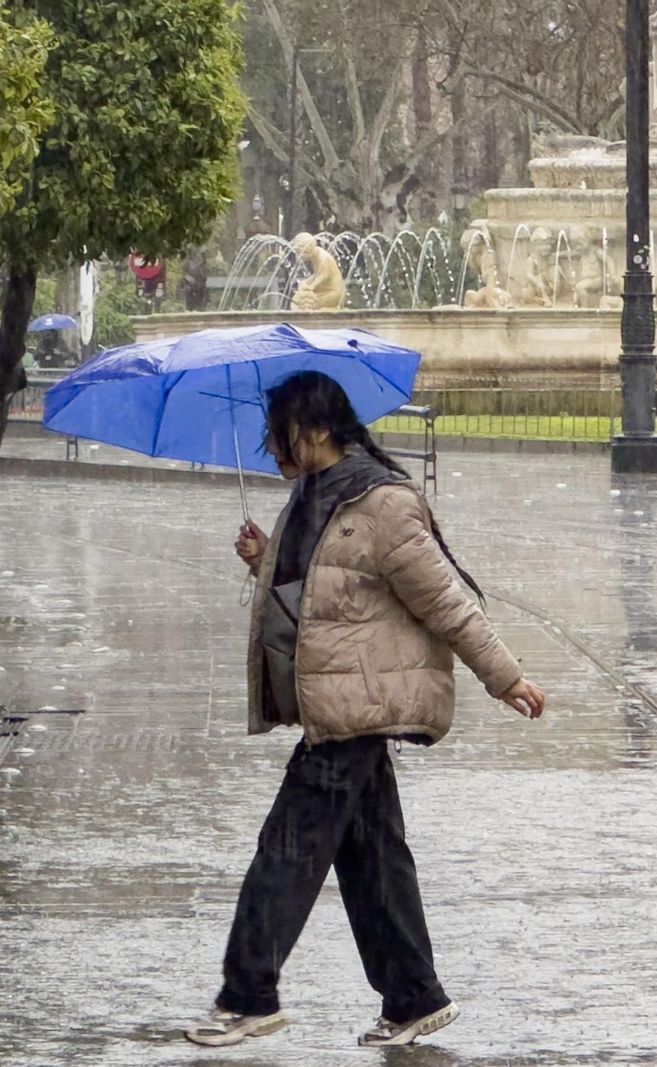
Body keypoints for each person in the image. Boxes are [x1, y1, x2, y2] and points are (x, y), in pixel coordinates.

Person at [185, 371, 547, 1049]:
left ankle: (248, 994)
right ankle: (414, 995)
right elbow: (321, 597)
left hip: (359, 704)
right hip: (338, 702)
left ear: (316, 428)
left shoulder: (381, 504)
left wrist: (507, 677)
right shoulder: (310, 500)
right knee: (373, 858)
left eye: (279, 431)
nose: (271, 447)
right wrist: (266, 560)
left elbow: (448, 601)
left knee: (286, 851)